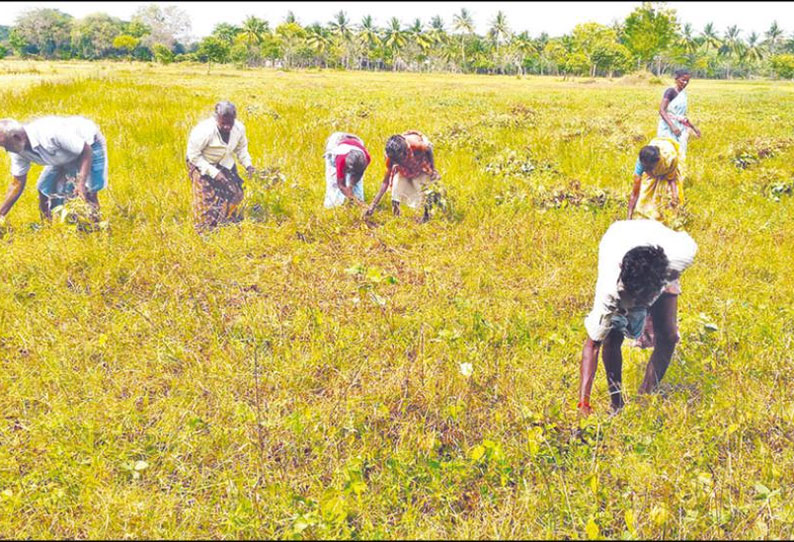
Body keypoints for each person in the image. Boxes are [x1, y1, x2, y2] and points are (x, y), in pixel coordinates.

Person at [577, 219, 697, 416]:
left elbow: (662, 287)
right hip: (619, 237)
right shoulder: (610, 289)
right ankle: (617, 404)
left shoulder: (680, 257)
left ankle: (644, 399)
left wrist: (653, 309)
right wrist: (584, 404)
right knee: (612, 335)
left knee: (668, 335)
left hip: (658, 248)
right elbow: (593, 344)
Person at [0, 116, 107, 221]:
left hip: (89, 145)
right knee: (44, 188)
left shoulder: (49, 132)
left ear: (17, 137)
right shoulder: (17, 149)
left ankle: (96, 228)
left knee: (87, 192)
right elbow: (17, 183)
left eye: (4, 145)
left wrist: (81, 183)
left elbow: (86, 150)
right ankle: (48, 226)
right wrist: (1, 213)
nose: (5, 150)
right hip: (62, 155)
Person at [186, 101, 257, 233]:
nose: (227, 127)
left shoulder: (239, 129)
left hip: (224, 162)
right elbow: (193, 156)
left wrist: (248, 166)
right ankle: (205, 230)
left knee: (235, 193)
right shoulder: (203, 131)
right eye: (223, 123)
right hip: (201, 162)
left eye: (230, 123)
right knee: (206, 200)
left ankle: (225, 220)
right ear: (216, 118)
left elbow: (241, 149)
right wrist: (214, 173)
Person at [365, 130, 439, 222]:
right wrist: (373, 205)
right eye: (397, 161)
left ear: (406, 152)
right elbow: (385, 182)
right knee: (396, 189)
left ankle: (426, 216)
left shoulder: (416, 145)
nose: (399, 162)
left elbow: (428, 149)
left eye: (400, 159)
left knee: (423, 189)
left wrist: (433, 168)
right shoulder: (392, 157)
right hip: (405, 168)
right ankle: (396, 216)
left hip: (419, 162)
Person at [627, 138, 685, 224]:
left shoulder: (669, 159)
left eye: (650, 169)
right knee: (644, 199)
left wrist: (674, 196)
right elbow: (634, 194)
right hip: (656, 167)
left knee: (668, 204)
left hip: (668, 171)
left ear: (658, 162)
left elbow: (672, 178)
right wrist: (629, 218)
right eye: (646, 170)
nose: (648, 172)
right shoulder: (641, 163)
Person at [657, 68, 701, 162]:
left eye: (687, 81)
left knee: (680, 153)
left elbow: (682, 116)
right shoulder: (670, 92)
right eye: (683, 80)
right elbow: (662, 110)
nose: (685, 83)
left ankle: (678, 174)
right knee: (667, 153)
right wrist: (672, 126)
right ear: (676, 79)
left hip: (680, 127)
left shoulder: (683, 94)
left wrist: (694, 128)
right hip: (668, 127)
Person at [323, 132, 370, 209]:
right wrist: (355, 199)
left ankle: (353, 204)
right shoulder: (340, 160)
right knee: (334, 190)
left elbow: (359, 173)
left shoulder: (366, 158)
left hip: (355, 142)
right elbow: (340, 185)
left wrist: (351, 186)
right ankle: (334, 206)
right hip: (335, 144)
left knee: (358, 193)